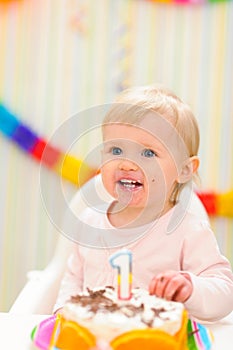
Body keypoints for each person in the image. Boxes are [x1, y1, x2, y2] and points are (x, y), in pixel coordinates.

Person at [54, 85, 233, 322]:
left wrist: (191, 288)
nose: (127, 164)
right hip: (95, 338)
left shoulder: (188, 229)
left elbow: (224, 293)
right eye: (116, 149)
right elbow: (73, 278)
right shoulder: (89, 221)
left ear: (184, 169)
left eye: (148, 153)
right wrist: (62, 314)